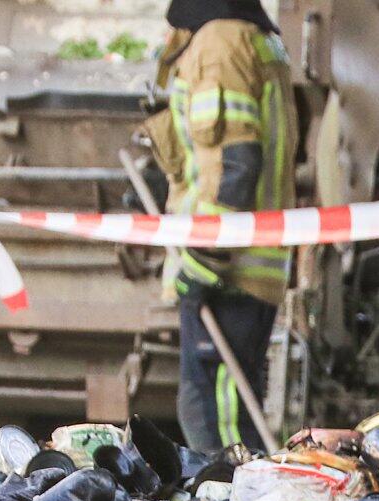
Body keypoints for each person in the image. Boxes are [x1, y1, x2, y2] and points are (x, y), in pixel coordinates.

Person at [143, 0, 297, 454]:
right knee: (221, 416)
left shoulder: (219, 43)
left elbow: (237, 166)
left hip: (226, 271)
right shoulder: (254, 37)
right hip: (248, 267)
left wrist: (202, 262)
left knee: (216, 428)